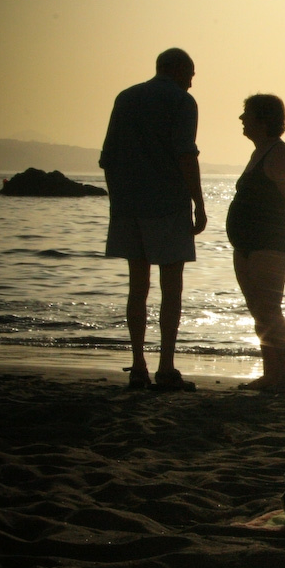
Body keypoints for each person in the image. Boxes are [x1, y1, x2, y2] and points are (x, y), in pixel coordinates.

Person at [100, 48, 206, 391]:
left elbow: (108, 157)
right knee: (171, 289)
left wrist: (117, 201)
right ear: (179, 70)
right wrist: (199, 202)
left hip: (128, 204)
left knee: (137, 288)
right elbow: (185, 153)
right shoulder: (182, 102)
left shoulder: (126, 98)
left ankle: (138, 366)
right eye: (190, 75)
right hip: (168, 204)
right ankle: (166, 367)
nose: (191, 83)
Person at [226, 94, 285, 392]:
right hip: (248, 244)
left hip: (271, 243)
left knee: (269, 309)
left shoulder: (278, 153)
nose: (241, 119)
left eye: (246, 114)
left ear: (262, 119)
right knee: (259, 311)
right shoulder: (260, 152)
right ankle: (271, 374)